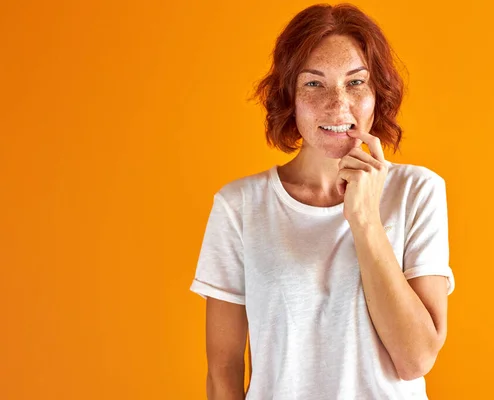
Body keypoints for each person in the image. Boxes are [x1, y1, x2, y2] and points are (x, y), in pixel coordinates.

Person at [190, 3, 455, 399]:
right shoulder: (239, 207)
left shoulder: (417, 192)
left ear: (376, 93)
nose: (338, 104)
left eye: (355, 83)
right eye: (314, 84)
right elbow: (223, 373)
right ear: (289, 97)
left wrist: (364, 219)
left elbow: (415, 358)